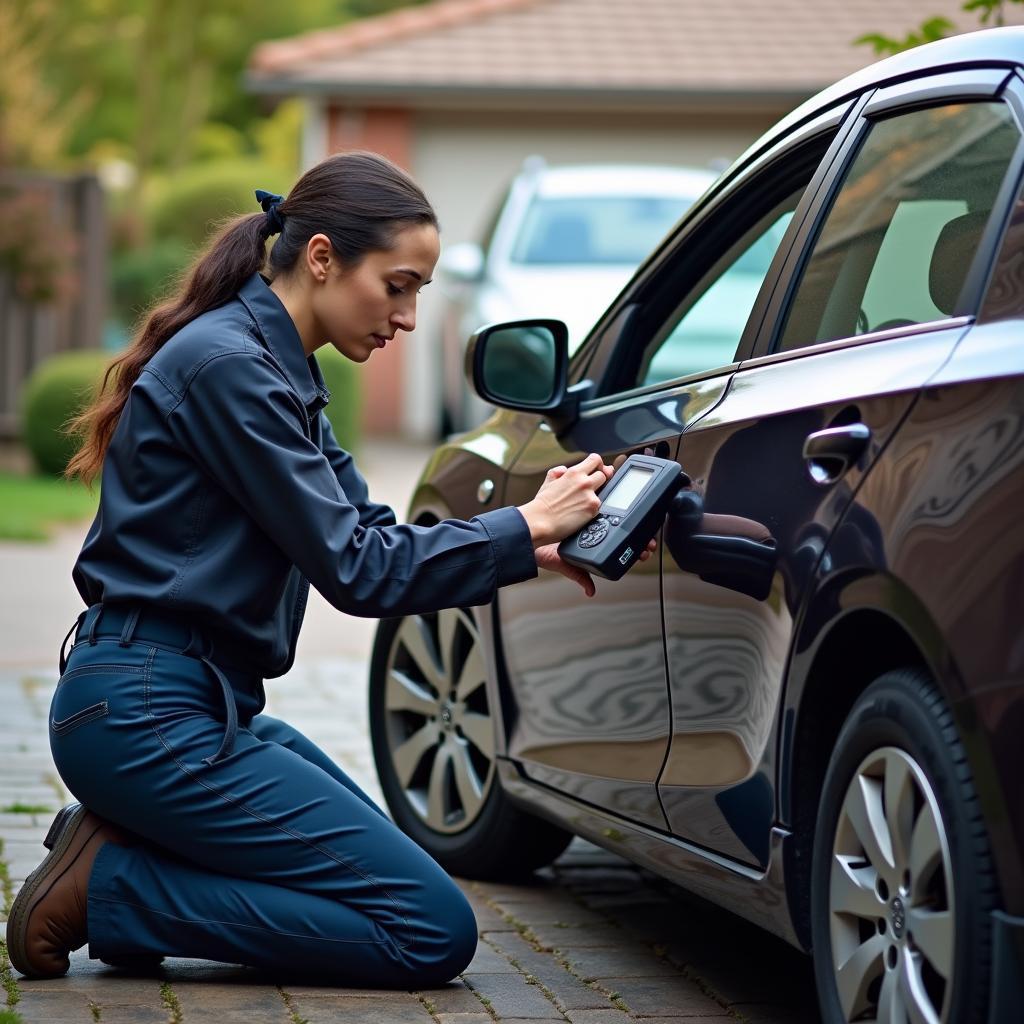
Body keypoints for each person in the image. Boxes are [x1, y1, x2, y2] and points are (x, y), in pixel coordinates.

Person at [7, 152, 635, 987]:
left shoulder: (280, 370)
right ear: (323, 257)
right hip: (146, 716)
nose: (408, 317)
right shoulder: (231, 368)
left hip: (195, 709)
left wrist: (532, 548)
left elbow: (369, 534)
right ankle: (111, 890)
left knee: (360, 874)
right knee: (428, 929)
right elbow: (358, 570)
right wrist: (517, 524)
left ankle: (132, 847)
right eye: (398, 285)